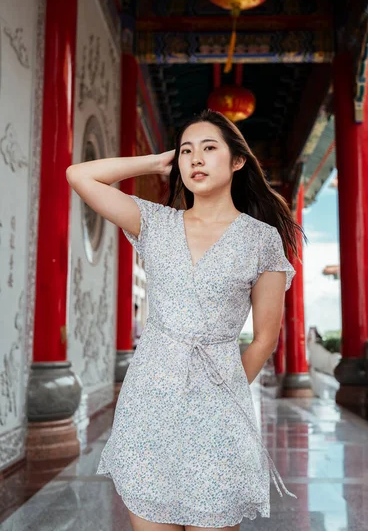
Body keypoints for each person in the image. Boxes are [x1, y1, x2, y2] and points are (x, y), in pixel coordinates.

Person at [66, 109, 305, 531]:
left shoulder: (261, 239)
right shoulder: (156, 224)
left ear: (237, 161)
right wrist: (153, 161)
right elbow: (79, 175)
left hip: (218, 408)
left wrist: (220, 389)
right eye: (186, 151)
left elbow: (265, 338)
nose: (195, 159)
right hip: (149, 402)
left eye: (209, 149)